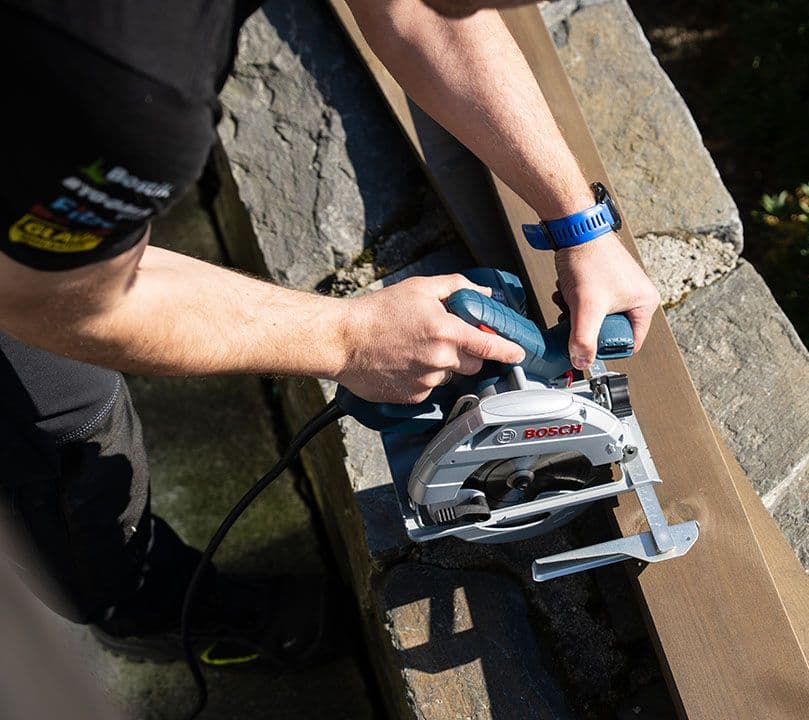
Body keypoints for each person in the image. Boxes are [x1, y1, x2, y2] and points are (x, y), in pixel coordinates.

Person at [0, 0, 660, 668]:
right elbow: (54, 304)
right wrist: (344, 338)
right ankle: (144, 612)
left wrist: (577, 222)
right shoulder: (128, 79)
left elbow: (421, 11)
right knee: (62, 425)